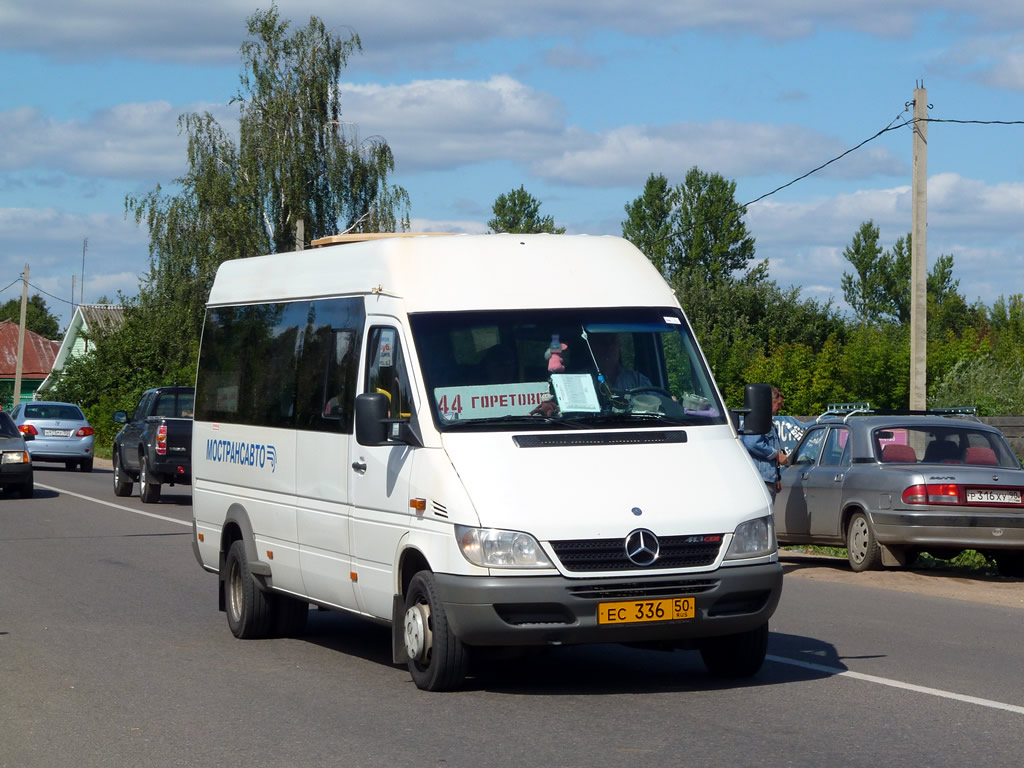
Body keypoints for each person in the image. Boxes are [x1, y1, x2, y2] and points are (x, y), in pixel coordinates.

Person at [741, 386, 788, 501]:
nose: (780, 408)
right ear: (769, 403)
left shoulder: (767, 423)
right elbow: (752, 443)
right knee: (763, 517)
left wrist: (777, 478)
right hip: (760, 479)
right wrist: (777, 455)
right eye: (778, 404)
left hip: (767, 479)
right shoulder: (757, 421)